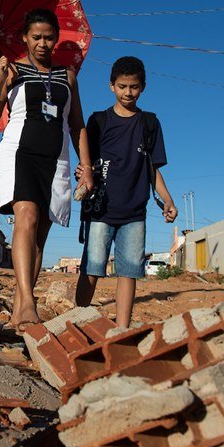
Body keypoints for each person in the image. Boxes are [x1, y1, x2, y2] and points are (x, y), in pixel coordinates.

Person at [0, 9, 94, 330]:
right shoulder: (13, 71)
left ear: (56, 38)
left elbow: (76, 124)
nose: (43, 43)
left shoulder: (67, 76)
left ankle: (19, 314)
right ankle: (29, 303)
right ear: (24, 38)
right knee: (26, 217)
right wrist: (0, 78)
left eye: (49, 37)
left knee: (40, 237)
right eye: (36, 37)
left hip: (56, 161)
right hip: (20, 154)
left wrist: (87, 166)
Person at [75, 56, 177, 329]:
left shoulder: (150, 123)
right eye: (122, 86)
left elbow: (153, 169)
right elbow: (86, 163)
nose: (128, 92)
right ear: (111, 86)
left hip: (135, 213)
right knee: (92, 267)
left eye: (133, 87)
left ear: (142, 87)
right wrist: (83, 174)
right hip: (100, 210)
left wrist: (167, 199)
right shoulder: (98, 121)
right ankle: (76, 321)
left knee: (128, 272)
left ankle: (121, 330)